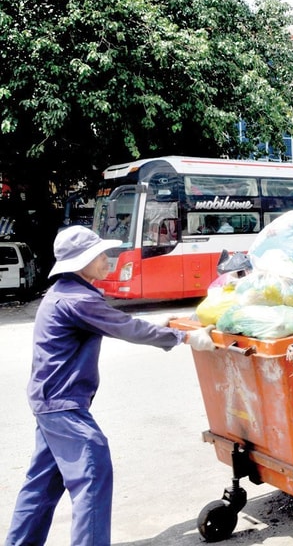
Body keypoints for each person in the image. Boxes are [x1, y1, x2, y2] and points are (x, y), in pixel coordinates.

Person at [4, 226, 216, 546]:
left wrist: (160, 326)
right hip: (63, 405)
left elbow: (117, 323)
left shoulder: (65, 292)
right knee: (92, 473)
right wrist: (185, 337)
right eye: (99, 255)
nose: (107, 259)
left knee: (42, 485)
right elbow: (124, 327)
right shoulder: (77, 299)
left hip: (49, 401)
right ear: (80, 262)